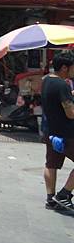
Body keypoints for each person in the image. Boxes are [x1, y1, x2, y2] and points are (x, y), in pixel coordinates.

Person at [41, 52, 74, 212]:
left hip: (50, 130)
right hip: (67, 133)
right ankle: (64, 194)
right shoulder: (62, 85)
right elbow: (70, 113)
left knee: (51, 164)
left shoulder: (47, 80)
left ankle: (50, 199)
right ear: (64, 68)